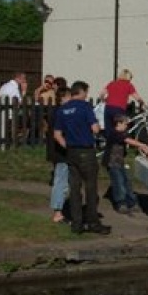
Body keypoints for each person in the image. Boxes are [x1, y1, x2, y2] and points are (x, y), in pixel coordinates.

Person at [53, 80, 111, 235]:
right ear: (82, 92)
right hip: (86, 151)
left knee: (74, 189)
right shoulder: (85, 107)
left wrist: (68, 145)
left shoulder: (62, 110)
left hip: (71, 152)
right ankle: (93, 222)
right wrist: (97, 127)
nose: (87, 95)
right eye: (87, 92)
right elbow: (95, 128)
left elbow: (57, 134)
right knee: (91, 188)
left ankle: (76, 224)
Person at [102, 114, 148, 214]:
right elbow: (127, 140)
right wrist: (141, 145)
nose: (126, 126)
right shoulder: (114, 133)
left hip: (120, 162)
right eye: (125, 124)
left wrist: (140, 147)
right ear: (118, 123)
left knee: (127, 181)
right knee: (118, 182)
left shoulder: (122, 133)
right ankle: (121, 203)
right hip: (112, 163)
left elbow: (129, 140)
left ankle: (131, 202)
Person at [47, 86, 70, 223]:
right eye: (69, 97)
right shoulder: (60, 113)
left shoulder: (57, 112)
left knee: (64, 182)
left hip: (58, 152)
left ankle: (61, 209)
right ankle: (57, 212)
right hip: (61, 153)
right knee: (61, 182)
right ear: (63, 98)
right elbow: (58, 135)